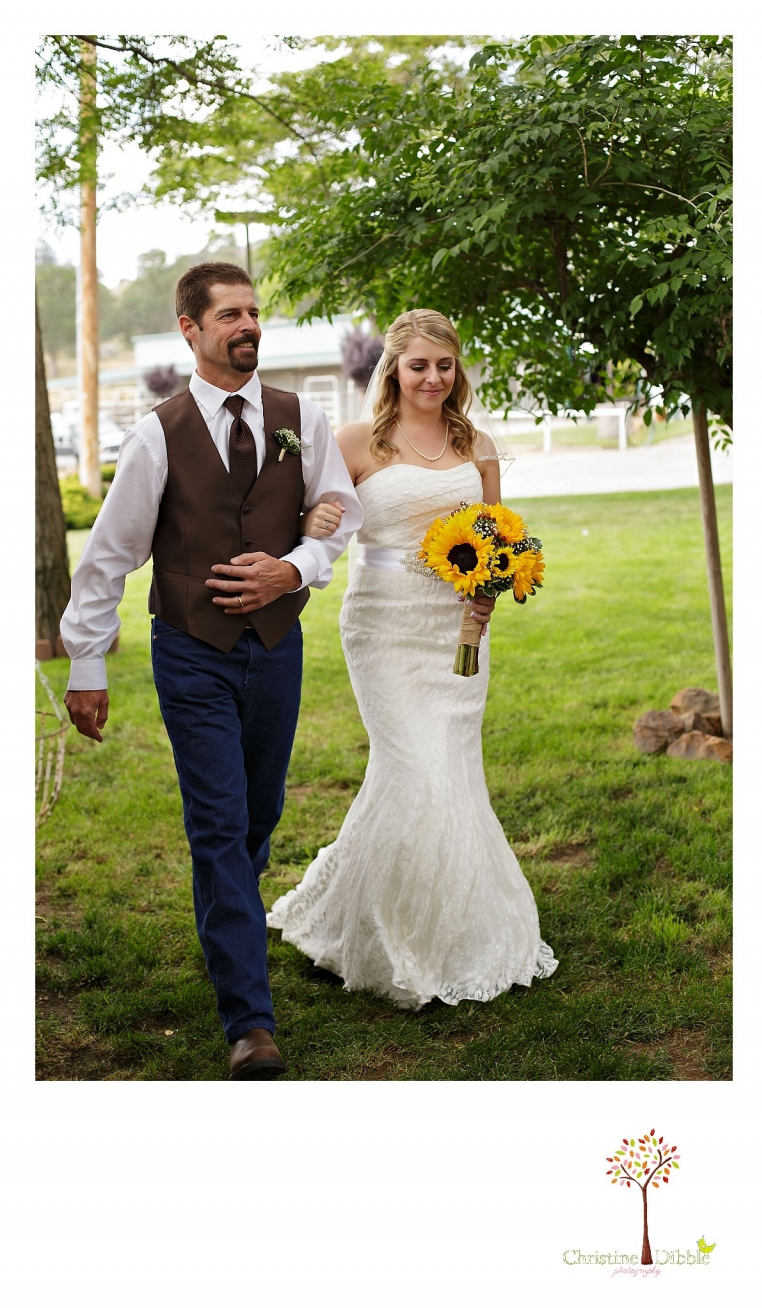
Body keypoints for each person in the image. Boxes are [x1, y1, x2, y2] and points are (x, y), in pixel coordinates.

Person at [61, 262, 363, 1079]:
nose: (248, 326)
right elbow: (111, 555)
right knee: (220, 827)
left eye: (255, 312)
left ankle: (227, 915)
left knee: (258, 817)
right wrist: (87, 662)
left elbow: (338, 517)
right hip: (192, 652)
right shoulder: (159, 433)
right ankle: (250, 1023)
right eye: (230, 314)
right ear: (190, 330)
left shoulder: (304, 417)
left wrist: (291, 569)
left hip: (276, 647)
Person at [267, 309, 558, 1009]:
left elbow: (500, 535)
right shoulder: (355, 440)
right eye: (419, 364)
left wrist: (492, 588)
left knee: (452, 767)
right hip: (382, 623)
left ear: (457, 372)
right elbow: (305, 521)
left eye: (445, 365)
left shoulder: (477, 444)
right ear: (392, 368)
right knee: (412, 761)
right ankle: (384, 929)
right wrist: (313, 525)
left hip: (456, 626)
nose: (432, 377)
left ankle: (458, 928)